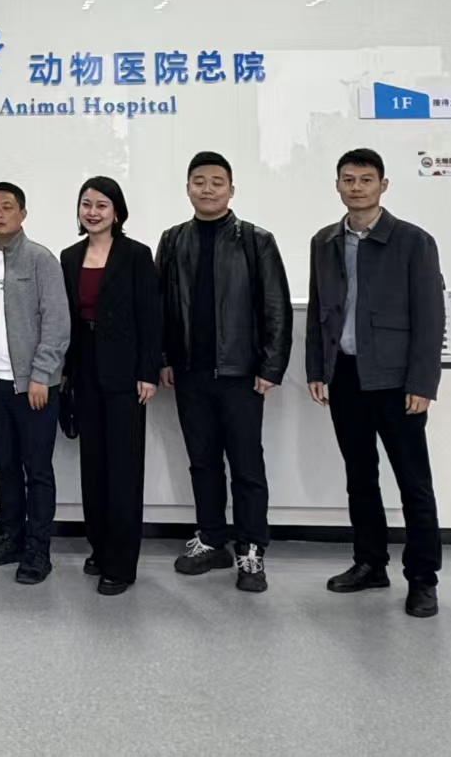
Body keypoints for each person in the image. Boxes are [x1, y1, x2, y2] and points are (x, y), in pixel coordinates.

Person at [307, 149, 445, 618]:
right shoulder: (324, 241)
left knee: (413, 483)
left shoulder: (413, 241)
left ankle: (423, 578)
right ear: (337, 185)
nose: (357, 187)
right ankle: (370, 563)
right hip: (345, 375)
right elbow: (320, 312)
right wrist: (316, 370)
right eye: (348, 179)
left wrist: (422, 381)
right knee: (360, 477)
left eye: (366, 179)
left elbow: (430, 317)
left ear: (383, 185)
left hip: (396, 380)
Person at [156, 153, 292, 593]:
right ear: (187, 188)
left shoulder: (255, 240)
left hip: (241, 374)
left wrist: (271, 366)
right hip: (190, 372)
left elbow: (276, 307)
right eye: (199, 181)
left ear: (231, 190)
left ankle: (251, 549)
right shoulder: (173, 240)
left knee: (247, 465)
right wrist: (163, 358)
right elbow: (160, 305)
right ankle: (212, 539)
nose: (208, 189)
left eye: (217, 182)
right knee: (202, 462)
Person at [0, 182, 71, 585]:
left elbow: (57, 323)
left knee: (37, 470)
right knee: (4, 466)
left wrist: (41, 375)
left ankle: (38, 550)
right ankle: (12, 537)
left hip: (33, 386)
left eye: (7, 207)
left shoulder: (41, 260)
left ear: (22, 214)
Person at [60, 177, 161, 595]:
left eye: (102, 205)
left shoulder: (136, 254)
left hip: (125, 374)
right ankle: (100, 548)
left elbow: (151, 316)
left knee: (123, 469)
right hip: (84, 369)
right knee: (94, 466)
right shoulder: (69, 256)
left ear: (116, 212)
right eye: (86, 204)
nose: (93, 212)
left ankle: (121, 564)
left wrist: (148, 372)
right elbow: (66, 318)